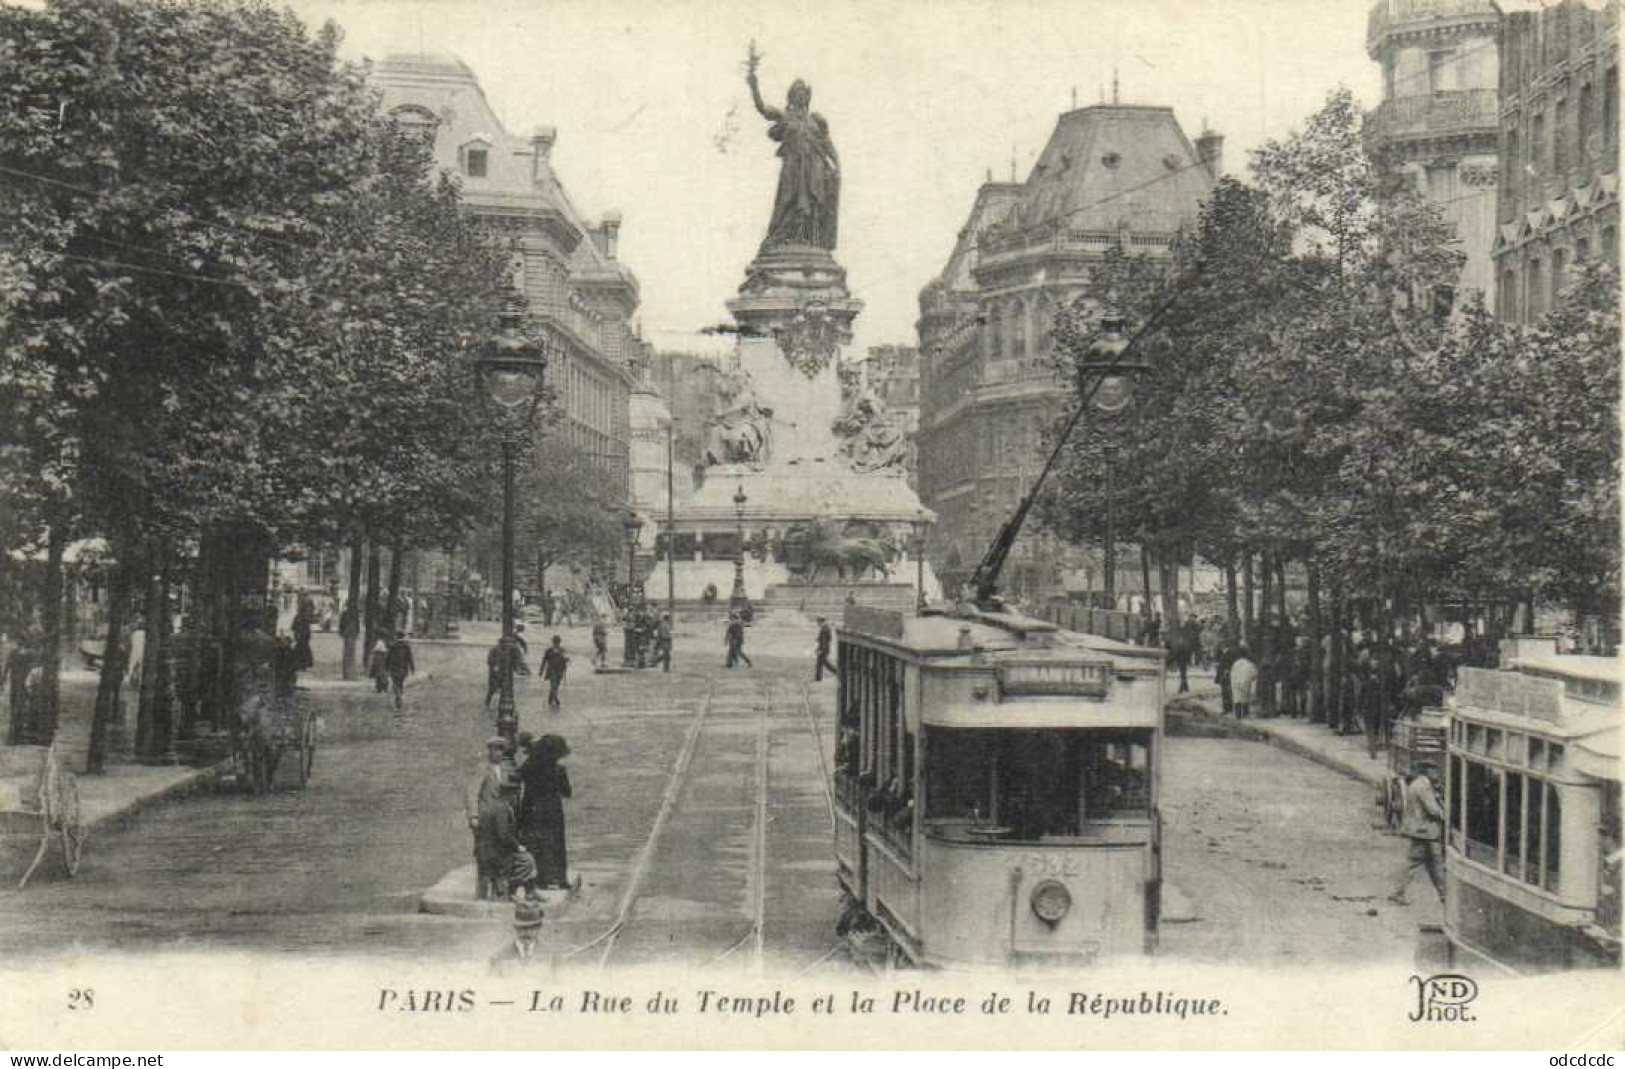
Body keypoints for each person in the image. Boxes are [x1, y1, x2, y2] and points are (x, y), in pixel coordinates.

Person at [516, 732, 574, 890]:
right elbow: (567, 792)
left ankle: (541, 878)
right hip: (553, 809)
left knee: (537, 843)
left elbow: (518, 777)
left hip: (533, 808)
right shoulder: (559, 770)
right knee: (556, 842)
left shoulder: (530, 767)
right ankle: (561, 878)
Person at [1389, 762, 1446, 906]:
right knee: (1428, 862)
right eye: (1435, 770)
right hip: (1425, 831)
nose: (1438, 773)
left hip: (1422, 830)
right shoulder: (1423, 786)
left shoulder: (1418, 784)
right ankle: (1398, 893)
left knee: (1431, 864)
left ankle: (1444, 895)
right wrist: (1445, 815)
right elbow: (1432, 809)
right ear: (1428, 771)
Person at [465, 737, 511, 901]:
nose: (498, 753)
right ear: (489, 750)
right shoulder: (482, 769)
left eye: (501, 749)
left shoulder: (504, 770)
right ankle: (482, 894)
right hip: (485, 819)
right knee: (484, 855)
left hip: (500, 820)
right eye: (495, 749)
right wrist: (473, 816)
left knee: (500, 854)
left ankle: (499, 892)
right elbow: (471, 793)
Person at [385, 631, 415, 709]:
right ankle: (399, 697)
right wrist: (412, 669)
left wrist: (386, 668)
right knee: (400, 684)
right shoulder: (407, 646)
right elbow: (410, 659)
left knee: (395, 683)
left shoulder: (392, 646)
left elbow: (388, 658)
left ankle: (398, 697)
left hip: (394, 668)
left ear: (396, 637)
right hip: (403, 669)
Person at [539, 635, 569, 709]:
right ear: (553, 642)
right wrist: (541, 670)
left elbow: (565, 659)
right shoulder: (548, 650)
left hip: (560, 670)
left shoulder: (562, 650)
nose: (556, 643)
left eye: (557, 642)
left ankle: (550, 697)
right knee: (553, 684)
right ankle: (555, 697)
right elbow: (544, 660)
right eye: (555, 642)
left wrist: (566, 660)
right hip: (551, 669)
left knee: (557, 685)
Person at [1229, 647, 1258, 719]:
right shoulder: (1249, 664)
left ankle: (1238, 715)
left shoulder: (1235, 663)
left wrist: (1233, 681)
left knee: (1237, 699)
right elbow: (1254, 674)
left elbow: (1232, 673)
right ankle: (1245, 714)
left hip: (1236, 683)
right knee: (1245, 698)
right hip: (1245, 682)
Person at [292, 600, 314, 672]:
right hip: (302, 637)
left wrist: (297, 634)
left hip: (302, 637)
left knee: (301, 651)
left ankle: (302, 665)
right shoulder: (303, 618)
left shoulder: (300, 618)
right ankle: (301, 665)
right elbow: (294, 627)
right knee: (302, 651)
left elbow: (294, 627)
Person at [814, 616, 838, 682]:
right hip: (825, 648)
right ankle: (836, 672)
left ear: (821, 622)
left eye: (818, 622)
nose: (817, 624)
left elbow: (824, 641)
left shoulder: (824, 629)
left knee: (821, 664)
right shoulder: (826, 628)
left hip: (824, 649)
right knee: (823, 663)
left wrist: (820, 650)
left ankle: (818, 678)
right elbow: (828, 639)